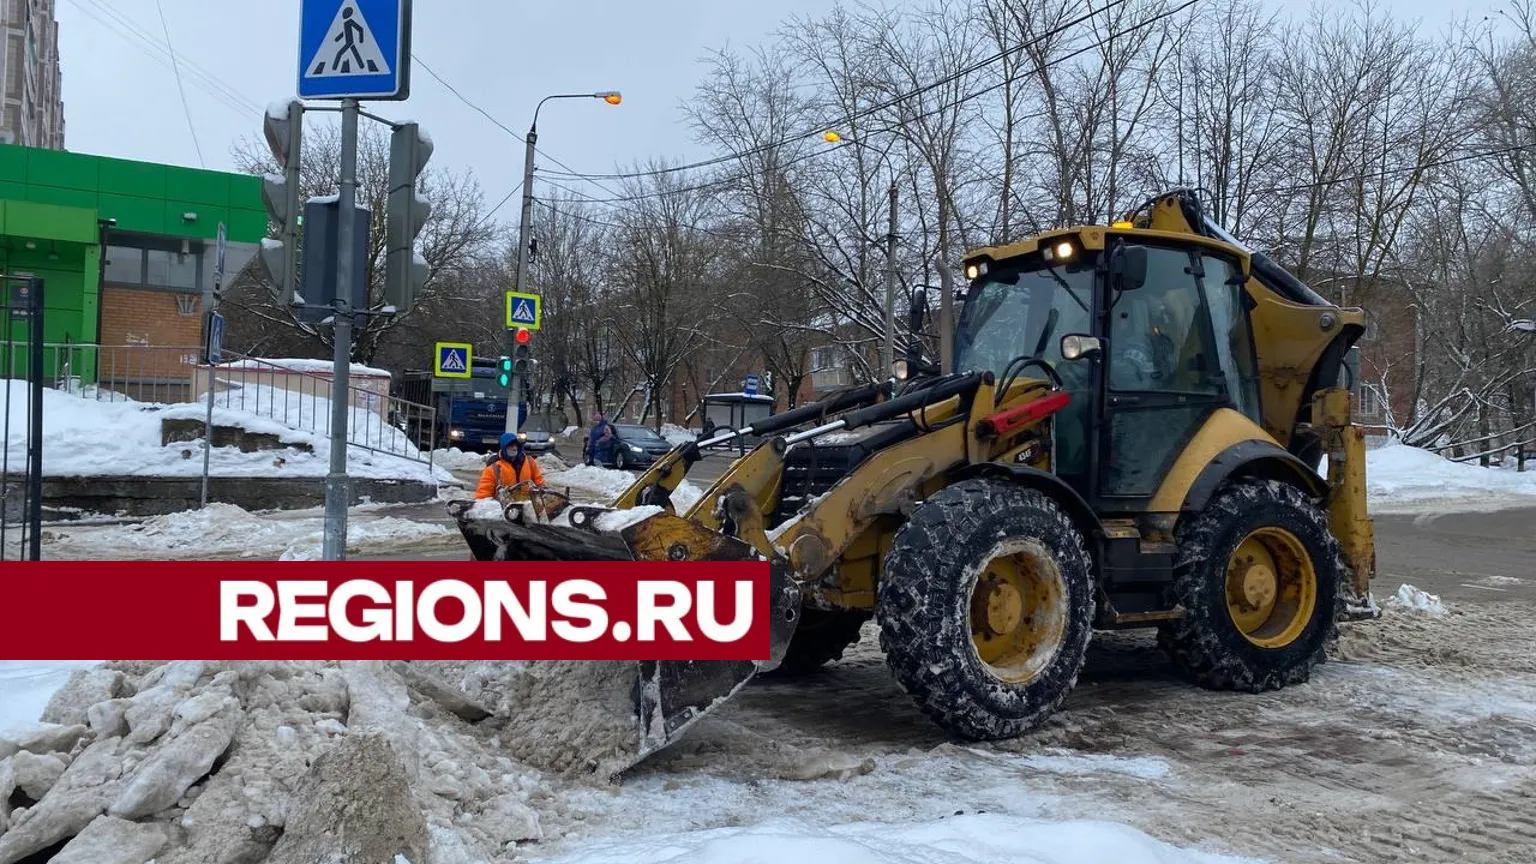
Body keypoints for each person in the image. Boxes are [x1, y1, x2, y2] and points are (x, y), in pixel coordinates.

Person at [475, 432, 546, 499]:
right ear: (504, 448)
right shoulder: (494, 467)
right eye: (511, 445)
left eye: (516, 445)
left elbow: (539, 482)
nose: (514, 448)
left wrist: (544, 494)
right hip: (503, 508)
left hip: (528, 505)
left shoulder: (529, 461)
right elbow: (483, 493)